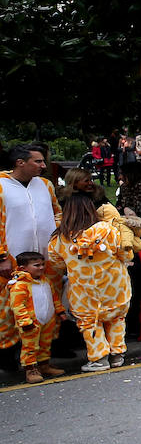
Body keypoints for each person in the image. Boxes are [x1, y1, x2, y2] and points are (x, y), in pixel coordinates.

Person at [48, 193, 133, 371]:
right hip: (115, 285)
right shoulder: (108, 230)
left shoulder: (59, 238)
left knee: (90, 322)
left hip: (83, 289)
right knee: (117, 318)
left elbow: (57, 264)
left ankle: (99, 358)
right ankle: (117, 355)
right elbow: (125, 253)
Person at [0, 145, 62, 375]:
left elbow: (57, 213)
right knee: (12, 310)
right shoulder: (1, 185)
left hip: (46, 261)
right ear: (20, 163)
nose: (44, 166)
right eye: (38, 162)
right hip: (13, 263)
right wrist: (2, 257)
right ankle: (10, 358)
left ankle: (43, 359)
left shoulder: (45, 185)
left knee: (46, 308)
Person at [6, 251, 63, 383]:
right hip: (30, 322)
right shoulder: (19, 285)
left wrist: (60, 311)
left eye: (43, 264)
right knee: (30, 346)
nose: (42, 267)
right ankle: (30, 369)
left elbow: (54, 297)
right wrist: (25, 321)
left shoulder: (45, 280)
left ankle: (44, 365)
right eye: (37, 265)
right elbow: (17, 305)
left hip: (48, 319)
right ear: (22, 268)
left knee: (45, 343)